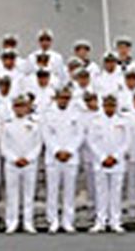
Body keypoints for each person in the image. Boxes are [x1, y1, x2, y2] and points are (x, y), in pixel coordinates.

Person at [41, 86, 84, 233]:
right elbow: (46, 134)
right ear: (56, 98)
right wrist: (56, 151)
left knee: (69, 191)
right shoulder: (48, 113)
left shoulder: (76, 113)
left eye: (67, 98)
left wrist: (69, 150)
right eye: (61, 97)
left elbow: (79, 134)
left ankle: (68, 220)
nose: (64, 100)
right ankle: (52, 220)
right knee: (52, 190)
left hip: (71, 157)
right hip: (53, 157)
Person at [88, 94, 130, 233]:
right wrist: (102, 157)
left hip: (117, 161)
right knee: (101, 192)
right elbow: (91, 141)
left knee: (116, 193)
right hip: (100, 161)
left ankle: (115, 221)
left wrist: (116, 157)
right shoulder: (95, 120)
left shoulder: (123, 121)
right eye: (107, 105)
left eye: (112, 105)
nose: (109, 108)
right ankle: (100, 221)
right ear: (103, 105)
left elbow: (127, 141)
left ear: (116, 106)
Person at [1, 94, 43, 234]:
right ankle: (11, 221)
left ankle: (28, 222)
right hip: (12, 163)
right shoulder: (7, 124)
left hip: (29, 163)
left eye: (22, 106)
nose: (20, 109)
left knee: (28, 194)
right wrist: (14, 159)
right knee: (12, 194)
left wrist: (28, 158)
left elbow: (38, 144)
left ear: (27, 107)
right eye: (17, 106)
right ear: (13, 108)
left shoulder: (34, 124)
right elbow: (3, 145)